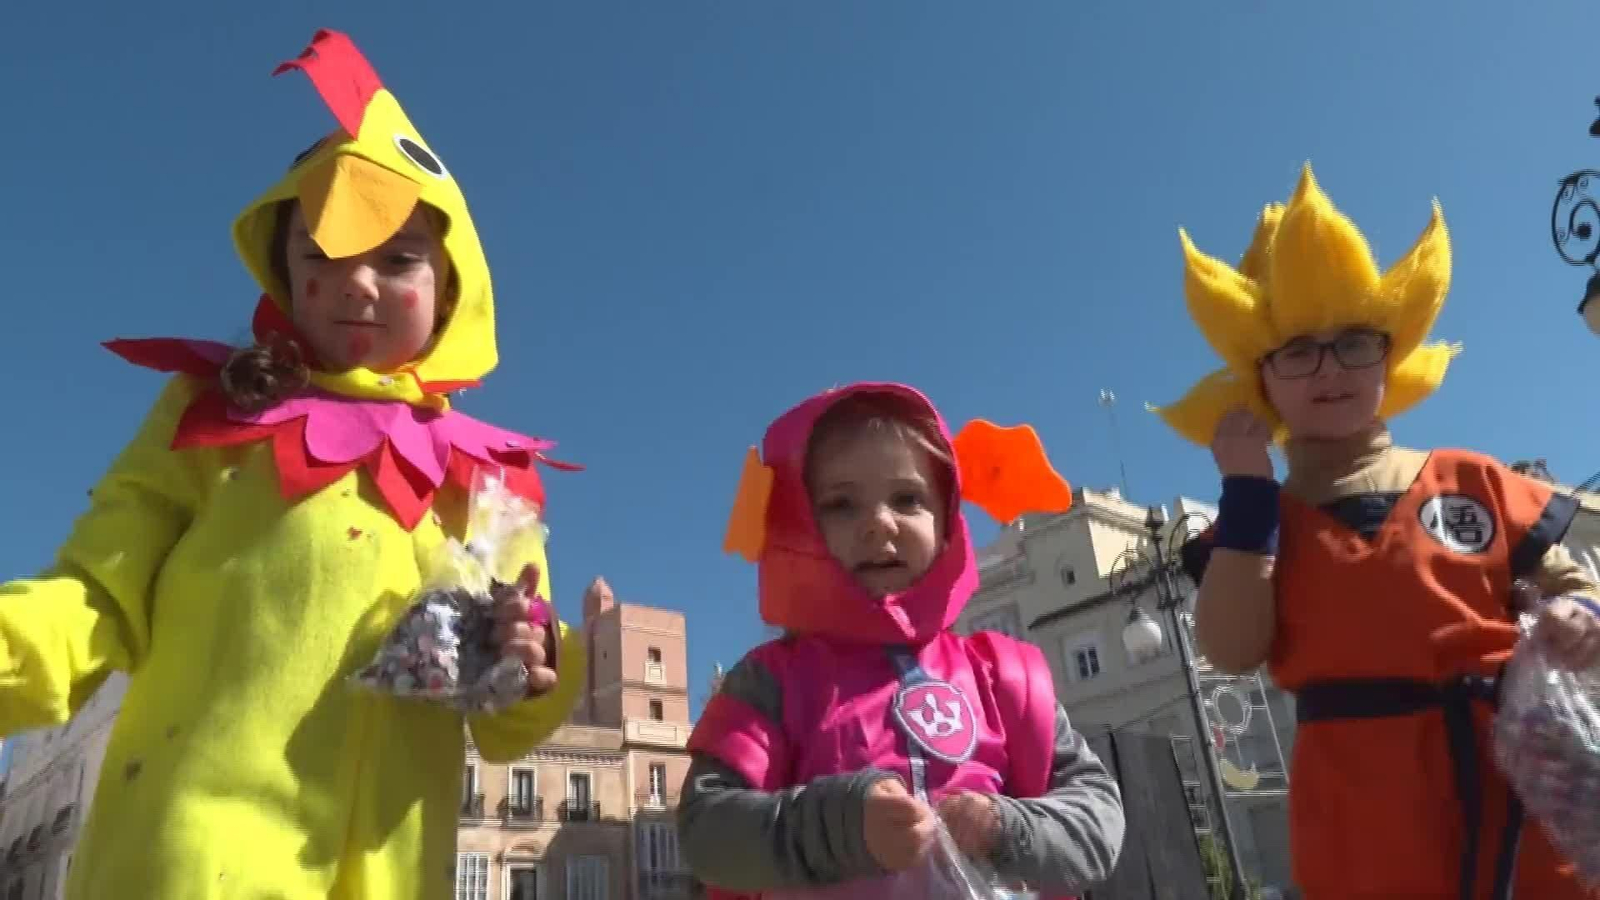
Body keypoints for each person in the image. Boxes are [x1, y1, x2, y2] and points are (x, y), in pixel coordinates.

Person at [0, 30, 583, 898]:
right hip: (188, 869)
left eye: (398, 259)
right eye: (324, 256)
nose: (360, 284)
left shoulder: (489, 485)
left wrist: (532, 664)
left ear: (452, 285)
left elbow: (506, 724)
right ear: (284, 272)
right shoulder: (213, 417)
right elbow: (93, 598)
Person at [1161, 164, 1600, 899]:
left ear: (1389, 357)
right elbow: (1231, 649)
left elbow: (1572, 582)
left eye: (1354, 341)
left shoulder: (1472, 478)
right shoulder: (1258, 522)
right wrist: (1246, 497)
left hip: (1514, 792)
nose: (1328, 368)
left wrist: (1579, 616)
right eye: (1298, 349)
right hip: (1357, 822)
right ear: (1260, 378)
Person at [678, 382, 1124, 899]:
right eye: (841, 504)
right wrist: (843, 826)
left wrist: (1004, 827)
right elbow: (705, 830)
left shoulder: (1001, 677)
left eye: (908, 499)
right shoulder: (768, 683)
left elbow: (1099, 815)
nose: (879, 523)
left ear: (947, 516)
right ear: (796, 522)